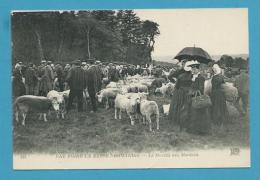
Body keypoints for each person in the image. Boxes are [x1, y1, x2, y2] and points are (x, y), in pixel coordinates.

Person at [186, 61, 211, 135]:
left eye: (194, 69)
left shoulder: (200, 78)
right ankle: (193, 129)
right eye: (192, 69)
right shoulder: (194, 77)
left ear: (198, 70)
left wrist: (192, 91)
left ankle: (199, 130)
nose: (192, 70)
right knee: (193, 113)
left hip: (197, 97)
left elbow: (200, 89)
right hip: (193, 97)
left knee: (198, 114)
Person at [168, 60, 193, 131]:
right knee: (184, 105)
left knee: (178, 104)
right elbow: (170, 76)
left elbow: (170, 77)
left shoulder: (180, 72)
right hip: (186, 91)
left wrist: (175, 82)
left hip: (180, 90)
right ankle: (184, 120)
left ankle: (178, 119)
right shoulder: (191, 74)